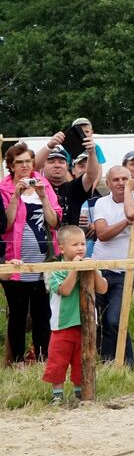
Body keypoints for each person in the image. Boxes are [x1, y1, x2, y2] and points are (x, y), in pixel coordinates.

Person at [91, 165, 134, 363]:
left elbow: (132, 212)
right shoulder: (101, 203)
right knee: (101, 320)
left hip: (125, 270)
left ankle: (125, 363)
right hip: (99, 267)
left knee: (115, 318)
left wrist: (130, 192)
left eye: (125, 179)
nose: (120, 183)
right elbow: (102, 234)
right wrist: (127, 223)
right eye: (116, 180)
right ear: (108, 183)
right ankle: (107, 362)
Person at [2, 143, 60, 364]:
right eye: (19, 162)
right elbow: (5, 226)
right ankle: (17, 362)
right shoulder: (3, 189)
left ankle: (43, 361)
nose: (25, 166)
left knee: (42, 315)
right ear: (11, 166)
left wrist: (43, 196)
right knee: (17, 315)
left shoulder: (43, 184)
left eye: (28, 161)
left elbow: (54, 222)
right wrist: (16, 196)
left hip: (44, 263)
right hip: (15, 262)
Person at [44, 226, 107, 405]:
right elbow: (64, 290)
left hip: (85, 325)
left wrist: (92, 269)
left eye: (82, 243)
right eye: (75, 244)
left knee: (82, 360)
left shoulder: (88, 264)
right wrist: (75, 269)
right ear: (61, 248)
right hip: (62, 324)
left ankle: (81, 392)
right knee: (58, 361)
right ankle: (57, 394)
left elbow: (102, 288)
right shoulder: (55, 268)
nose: (80, 248)